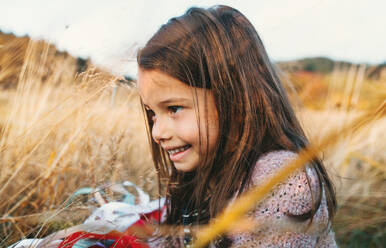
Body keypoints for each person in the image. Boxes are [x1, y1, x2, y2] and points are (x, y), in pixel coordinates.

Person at [136, 5, 337, 248]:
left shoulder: (283, 181)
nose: (157, 132)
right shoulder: (201, 174)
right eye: (152, 114)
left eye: (174, 108)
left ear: (233, 100)